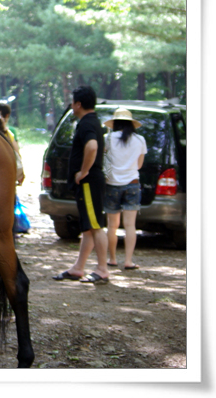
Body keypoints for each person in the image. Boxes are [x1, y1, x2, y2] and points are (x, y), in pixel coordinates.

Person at [52, 85, 109, 284]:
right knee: (88, 228)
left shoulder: (86, 124)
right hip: (90, 182)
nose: (71, 106)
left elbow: (92, 147)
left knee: (95, 226)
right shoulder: (92, 122)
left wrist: (84, 171)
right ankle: (78, 268)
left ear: (78, 104)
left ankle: (102, 269)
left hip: (89, 181)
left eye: (72, 102)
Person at [103, 108, 147, 270]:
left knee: (112, 225)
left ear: (115, 123)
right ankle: (128, 261)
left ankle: (112, 258)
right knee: (130, 225)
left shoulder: (107, 139)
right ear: (131, 124)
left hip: (112, 184)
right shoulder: (140, 140)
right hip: (132, 184)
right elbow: (139, 165)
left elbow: (104, 161)